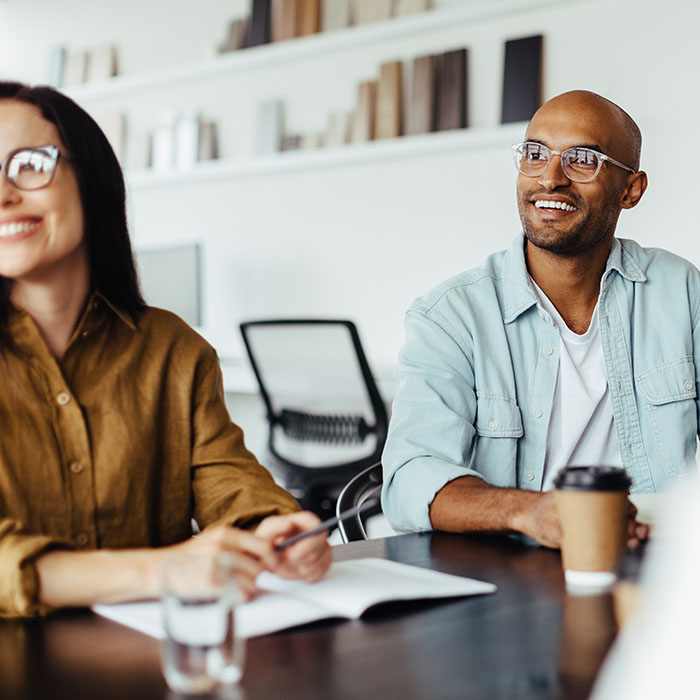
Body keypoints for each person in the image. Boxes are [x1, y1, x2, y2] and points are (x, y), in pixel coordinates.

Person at [0, 81, 331, 618]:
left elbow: (231, 483)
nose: (4, 193)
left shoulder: (174, 351)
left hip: (156, 663)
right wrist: (161, 570)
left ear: (92, 178)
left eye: (29, 164)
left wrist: (271, 528)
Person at [382, 89, 699, 547]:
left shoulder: (681, 291)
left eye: (582, 159)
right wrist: (532, 513)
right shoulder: (450, 317)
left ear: (631, 190)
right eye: (535, 154)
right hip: (507, 574)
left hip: (652, 564)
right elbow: (410, 480)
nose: (550, 178)